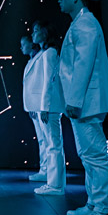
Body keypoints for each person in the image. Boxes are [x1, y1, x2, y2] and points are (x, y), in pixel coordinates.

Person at [58, 0, 108, 215]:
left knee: (95, 155)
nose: (59, 1)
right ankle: (94, 204)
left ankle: (102, 211)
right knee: (88, 155)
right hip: (84, 101)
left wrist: (74, 100)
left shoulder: (85, 24)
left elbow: (83, 64)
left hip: (87, 101)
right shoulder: (81, 23)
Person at [24, 21, 66, 195]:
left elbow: (49, 81)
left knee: (53, 145)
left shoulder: (50, 53)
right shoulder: (44, 53)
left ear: (45, 32)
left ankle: (55, 185)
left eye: (36, 31)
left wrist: (44, 107)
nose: (32, 34)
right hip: (46, 106)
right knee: (50, 144)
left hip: (49, 107)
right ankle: (52, 181)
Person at [20, 35, 46, 182]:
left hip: (41, 105)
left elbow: (43, 83)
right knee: (42, 140)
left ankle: (48, 172)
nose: (21, 48)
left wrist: (41, 106)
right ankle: (44, 170)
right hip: (34, 106)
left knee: (46, 140)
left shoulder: (42, 57)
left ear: (31, 44)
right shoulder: (31, 61)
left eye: (23, 44)